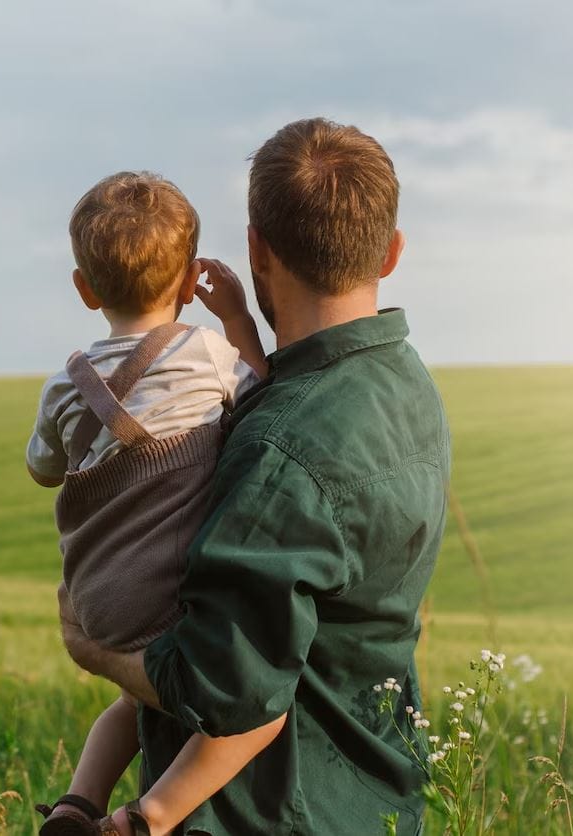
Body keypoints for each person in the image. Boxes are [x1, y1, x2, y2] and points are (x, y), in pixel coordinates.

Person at [59, 118, 451, 835]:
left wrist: (98, 652)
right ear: (390, 253)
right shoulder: (404, 384)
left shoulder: (278, 449)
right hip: (373, 799)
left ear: (255, 249)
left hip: (264, 812)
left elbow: (223, 690)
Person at [26, 171, 287, 835]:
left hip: (97, 601)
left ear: (85, 290)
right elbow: (265, 395)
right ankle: (147, 818)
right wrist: (235, 317)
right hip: (169, 594)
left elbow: (42, 470)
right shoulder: (205, 351)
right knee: (260, 708)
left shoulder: (65, 384)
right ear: (187, 279)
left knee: (132, 704)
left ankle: (75, 805)